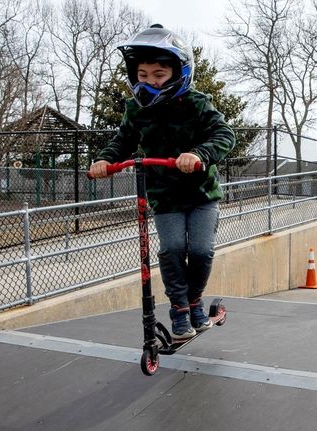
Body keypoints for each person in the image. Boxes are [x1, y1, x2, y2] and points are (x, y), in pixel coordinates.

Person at [88, 24, 235, 339]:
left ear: (178, 73)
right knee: (170, 250)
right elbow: (122, 141)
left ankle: (195, 301)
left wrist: (198, 154)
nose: (150, 82)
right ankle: (180, 311)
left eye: (158, 75)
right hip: (164, 196)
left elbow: (225, 134)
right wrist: (104, 160)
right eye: (143, 75)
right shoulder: (136, 110)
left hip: (200, 194)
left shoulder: (197, 103)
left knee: (200, 251)